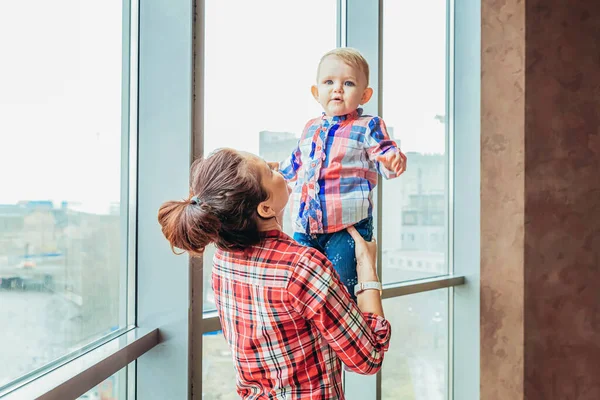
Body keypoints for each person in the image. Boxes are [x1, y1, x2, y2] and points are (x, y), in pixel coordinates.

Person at [158, 148, 391, 399]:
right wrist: (367, 267)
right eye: (269, 171)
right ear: (265, 208)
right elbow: (368, 358)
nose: (277, 167)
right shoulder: (304, 267)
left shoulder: (224, 260)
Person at [270, 47, 407, 302]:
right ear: (316, 92)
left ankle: (339, 339)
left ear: (365, 95)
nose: (338, 89)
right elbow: (296, 162)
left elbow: (384, 151)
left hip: (347, 229)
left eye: (349, 83)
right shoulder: (310, 127)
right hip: (305, 228)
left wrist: (391, 160)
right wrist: (274, 171)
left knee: (342, 292)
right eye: (329, 82)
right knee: (303, 290)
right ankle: (312, 338)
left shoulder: (367, 125)